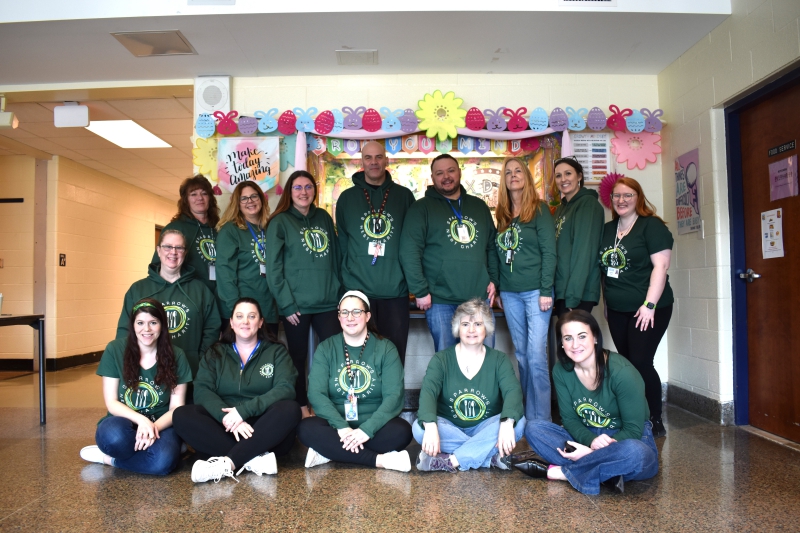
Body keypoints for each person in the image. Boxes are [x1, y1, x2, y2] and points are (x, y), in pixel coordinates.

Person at [524, 310, 659, 494]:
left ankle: (564, 472)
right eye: (568, 338)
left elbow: (633, 431)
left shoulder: (623, 373)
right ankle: (605, 474)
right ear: (561, 343)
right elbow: (570, 420)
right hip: (587, 436)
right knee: (534, 429)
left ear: (595, 337)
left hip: (624, 439)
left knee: (635, 453)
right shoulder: (561, 371)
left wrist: (593, 451)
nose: (575, 344)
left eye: (582, 336)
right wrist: (591, 443)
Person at [172, 298, 301, 483]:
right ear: (231, 322)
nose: (245, 322)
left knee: (290, 408)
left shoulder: (276, 352)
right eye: (239, 316)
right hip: (224, 425)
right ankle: (254, 459)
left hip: (263, 427)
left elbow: (285, 389)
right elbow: (202, 389)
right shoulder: (215, 353)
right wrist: (226, 417)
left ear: (261, 322)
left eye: (252, 316)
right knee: (181, 414)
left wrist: (243, 412)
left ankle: (229, 462)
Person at [297, 290, 413, 472]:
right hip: (336, 425)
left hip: (374, 425)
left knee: (402, 431)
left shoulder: (385, 348)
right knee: (306, 428)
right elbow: (316, 394)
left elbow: (394, 396)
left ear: (367, 316)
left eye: (356, 312)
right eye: (345, 312)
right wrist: (342, 427)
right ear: (339, 317)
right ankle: (379, 460)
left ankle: (329, 452)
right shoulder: (326, 347)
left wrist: (367, 430)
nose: (350, 317)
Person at [80, 298, 192, 475]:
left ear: (162, 325)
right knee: (113, 438)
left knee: (162, 463)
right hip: (124, 421)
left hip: (161, 424)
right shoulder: (115, 350)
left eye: (153, 323)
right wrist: (142, 421)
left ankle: (110, 460)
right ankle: (151, 451)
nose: (146, 329)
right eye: (140, 323)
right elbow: (112, 402)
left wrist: (151, 428)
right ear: (132, 325)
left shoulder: (177, 355)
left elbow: (176, 408)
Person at [399, 154, 500, 351]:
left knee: (485, 357)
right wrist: (419, 290)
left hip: (478, 298)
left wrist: (494, 280)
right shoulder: (421, 208)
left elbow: (491, 247)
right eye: (440, 173)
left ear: (459, 172)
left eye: (450, 170)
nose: (446, 176)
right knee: (447, 359)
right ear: (433, 177)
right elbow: (409, 250)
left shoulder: (479, 206)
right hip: (440, 301)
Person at [413, 298, 525, 472]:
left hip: (486, 426)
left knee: (518, 423)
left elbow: (513, 392)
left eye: (478, 324)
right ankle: (489, 457)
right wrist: (431, 426)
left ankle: (450, 461)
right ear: (458, 328)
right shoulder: (441, 360)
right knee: (420, 429)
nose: (471, 330)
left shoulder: (499, 360)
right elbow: (428, 393)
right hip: (450, 426)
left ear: (486, 328)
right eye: (465, 324)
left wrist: (505, 423)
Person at [599, 177, 673, 438]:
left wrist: (649, 305)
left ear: (638, 198)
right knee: (628, 365)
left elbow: (661, 268)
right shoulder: (608, 230)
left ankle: (654, 418)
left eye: (628, 195)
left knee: (641, 362)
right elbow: (605, 273)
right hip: (618, 309)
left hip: (650, 307)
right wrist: (607, 304)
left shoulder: (651, 226)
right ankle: (633, 417)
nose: (622, 200)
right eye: (617, 196)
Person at [266, 170, 342, 418]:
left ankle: (331, 404)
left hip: (328, 302)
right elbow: (274, 268)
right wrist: (286, 305)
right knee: (297, 358)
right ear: (290, 192)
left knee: (334, 355)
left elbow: (336, 258)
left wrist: (338, 291)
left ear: (314, 191)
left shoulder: (323, 217)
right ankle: (301, 406)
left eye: (308, 187)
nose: (303, 192)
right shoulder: (279, 221)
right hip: (296, 305)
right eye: (297, 187)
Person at [336, 141, 416, 364]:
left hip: (395, 291)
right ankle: (362, 399)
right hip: (358, 292)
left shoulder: (404, 196)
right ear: (361, 162)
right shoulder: (346, 199)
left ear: (386, 160)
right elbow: (343, 245)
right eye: (368, 158)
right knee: (359, 356)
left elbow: (412, 244)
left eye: (378, 157)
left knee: (394, 354)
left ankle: (393, 399)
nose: (374, 162)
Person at [494, 157, 557, 421]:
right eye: (508, 172)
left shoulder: (539, 209)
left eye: (518, 170)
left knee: (535, 355)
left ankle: (541, 419)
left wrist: (546, 289)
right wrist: (497, 289)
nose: (513, 175)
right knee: (521, 354)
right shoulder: (503, 215)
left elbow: (549, 252)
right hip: (509, 293)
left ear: (527, 177)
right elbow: (497, 255)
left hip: (536, 292)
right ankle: (525, 414)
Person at [117, 229, 221, 379]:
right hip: (146, 373)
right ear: (158, 251)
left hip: (190, 372)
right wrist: (129, 363)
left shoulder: (200, 290)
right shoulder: (138, 289)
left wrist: (200, 360)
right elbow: (124, 331)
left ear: (185, 252)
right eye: (167, 247)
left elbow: (212, 330)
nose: (173, 252)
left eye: (179, 247)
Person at [215, 181, 280, 330]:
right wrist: (236, 310)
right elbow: (224, 274)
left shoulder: (270, 228)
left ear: (261, 199)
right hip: (242, 312)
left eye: (254, 196)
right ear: (237, 203)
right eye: (244, 198)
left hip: (268, 310)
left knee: (268, 353)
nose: (249, 201)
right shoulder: (230, 231)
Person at [552, 157, 605, 317]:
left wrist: (573, 296)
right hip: (563, 290)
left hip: (577, 293)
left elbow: (584, 252)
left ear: (579, 176)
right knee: (565, 340)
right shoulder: (562, 208)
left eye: (568, 173)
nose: (563, 179)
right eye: (558, 175)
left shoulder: (587, 204)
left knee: (576, 340)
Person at [152, 175, 220, 294]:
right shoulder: (176, 228)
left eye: (204, 193)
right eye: (193, 194)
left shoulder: (218, 229)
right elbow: (158, 267)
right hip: (189, 295)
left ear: (210, 198)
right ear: (186, 200)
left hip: (218, 297)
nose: (200, 198)